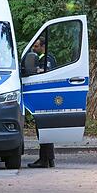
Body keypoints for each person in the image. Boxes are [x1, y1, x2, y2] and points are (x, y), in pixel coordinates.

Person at [28, 36, 56, 168]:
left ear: (43, 46)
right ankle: (49, 159)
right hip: (47, 96)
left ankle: (44, 160)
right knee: (45, 129)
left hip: (45, 97)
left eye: (36, 46)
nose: (34, 48)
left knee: (42, 129)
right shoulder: (47, 58)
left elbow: (45, 74)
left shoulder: (46, 59)